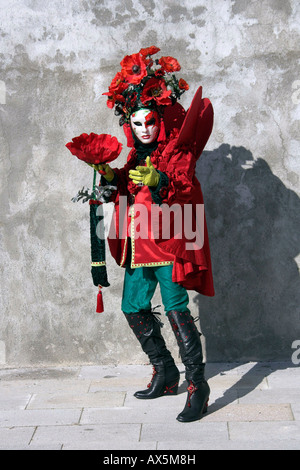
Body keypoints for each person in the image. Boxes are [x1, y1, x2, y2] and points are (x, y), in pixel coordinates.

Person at [92, 46, 214, 422]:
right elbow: (128, 195)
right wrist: (111, 179)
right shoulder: (132, 157)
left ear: (161, 120)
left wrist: (159, 178)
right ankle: (165, 371)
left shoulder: (176, 154)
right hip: (137, 245)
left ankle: (198, 385)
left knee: (176, 310)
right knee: (132, 307)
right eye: (138, 123)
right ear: (130, 124)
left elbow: (185, 187)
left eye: (151, 121)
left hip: (168, 245)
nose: (145, 129)